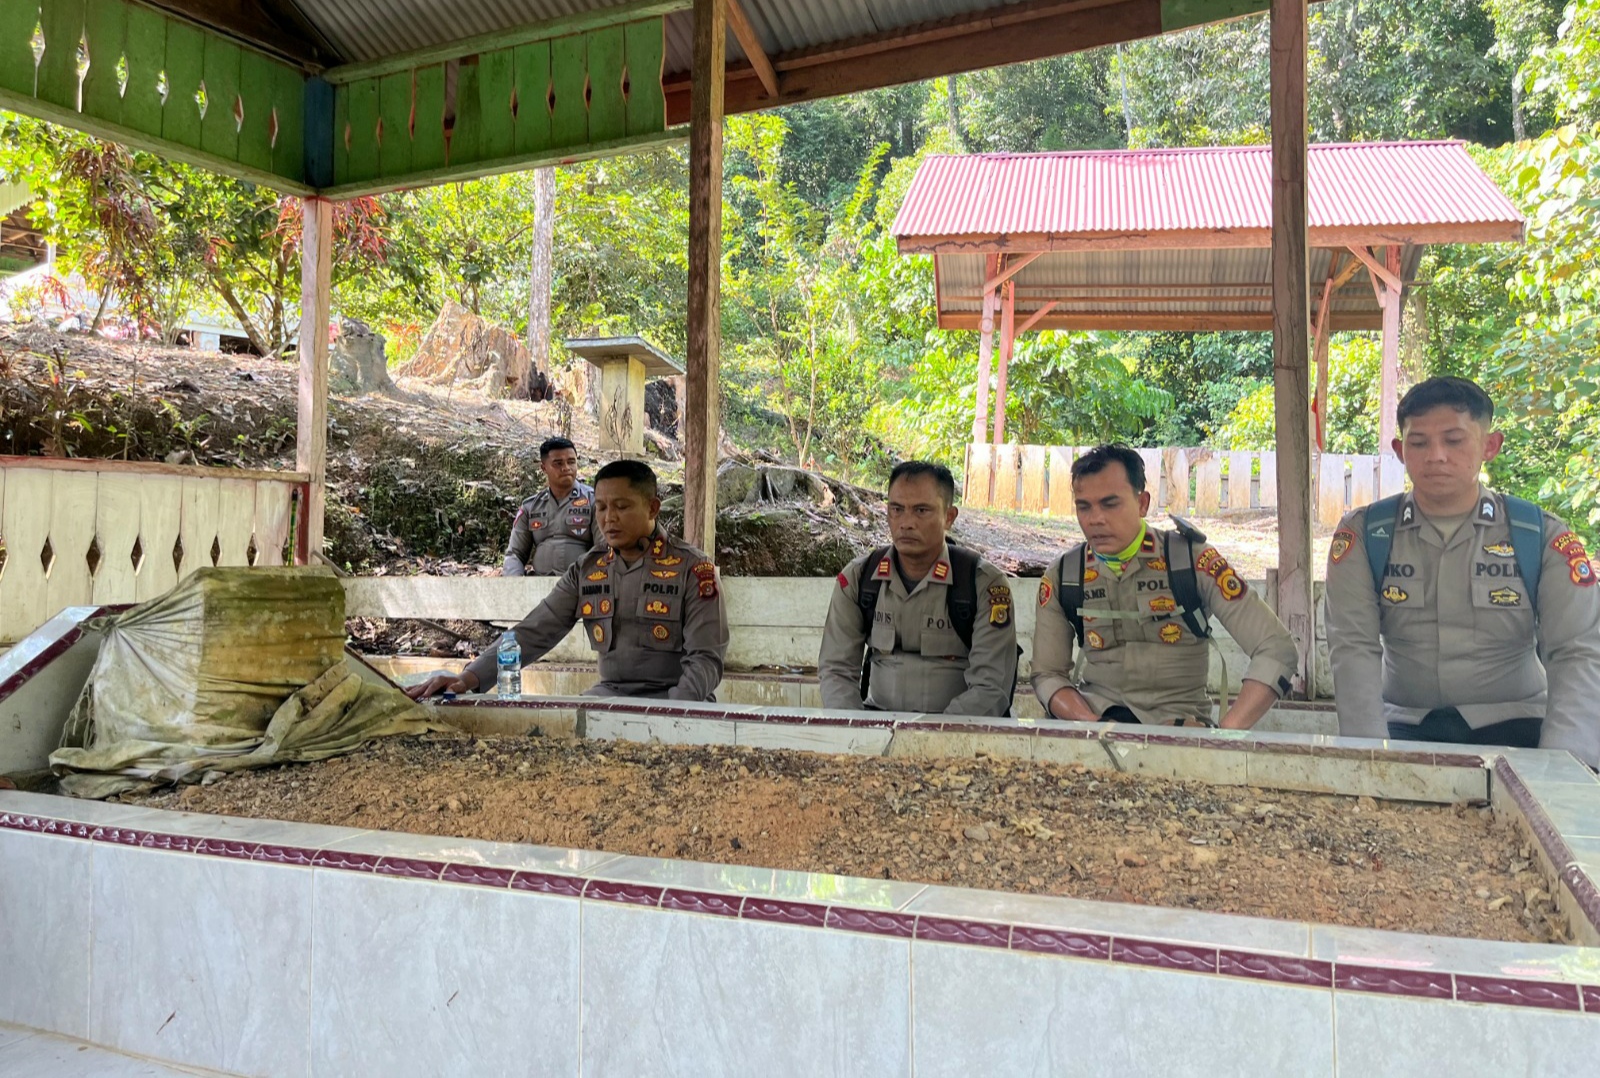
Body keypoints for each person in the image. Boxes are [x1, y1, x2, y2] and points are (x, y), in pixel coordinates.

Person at [1325, 376, 1600, 767]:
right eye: (1419, 443)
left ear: (1491, 445)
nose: (1436, 455)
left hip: (1517, 722)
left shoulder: (1538, 535)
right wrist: (1368, 761)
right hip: (1404, 725)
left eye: (1454, 440)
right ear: (1401, 451)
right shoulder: (1366, 534)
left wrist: (1564, 766)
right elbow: (1352, 648)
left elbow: (1578, 651)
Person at [408, 460, 729, 701]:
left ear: (652, 508)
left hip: (680, 700)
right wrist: (470, 678)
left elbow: (706, 659)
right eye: (601, 507)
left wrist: (675, 711)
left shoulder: (693, 568)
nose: (608, 518)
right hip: (608, 697)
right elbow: (535, 631)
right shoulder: (588, 569)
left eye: (621, 506)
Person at [1032, 444, 1297, 729]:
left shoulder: (1189, 561)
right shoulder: (1066, 574)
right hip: (1095, 731)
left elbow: (1276, 648)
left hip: (1182, 733)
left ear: (1143, 503)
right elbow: (1047, 674)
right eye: (1084, 506)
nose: (1095, 518)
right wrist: (1094, 724)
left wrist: (1224, 739)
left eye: (1110, 504)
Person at [818, 461, 1019, 716]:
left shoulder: (982, 584)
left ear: (949, 517)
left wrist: (931, 741)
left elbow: (991, 688)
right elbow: (836, 671)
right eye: (897, 509)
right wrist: (857, 732)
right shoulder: (860, 579)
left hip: (958, 736)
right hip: (874, 728)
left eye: (921, 510)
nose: (906, 523)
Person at [503, 437, 595, 576]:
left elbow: (604, 548)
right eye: (558, 463)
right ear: (544, 468)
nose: (566, 468)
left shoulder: (594, 501)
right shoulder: (531, 506)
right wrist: (515, 584)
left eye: (571, 462)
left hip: (581, 584)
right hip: (539, 584)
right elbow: (515, 554)